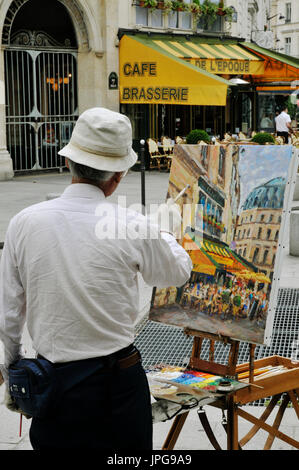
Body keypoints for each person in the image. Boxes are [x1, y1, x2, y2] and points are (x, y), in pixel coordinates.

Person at [0, 107, 192, 450]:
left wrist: (13, 370)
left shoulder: (23, 222)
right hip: (116, 385)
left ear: (68, 163)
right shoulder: (133, 225)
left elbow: (9, 314)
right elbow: (178, 272)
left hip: (52, 384)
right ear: (119, 175)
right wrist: (163, 232)